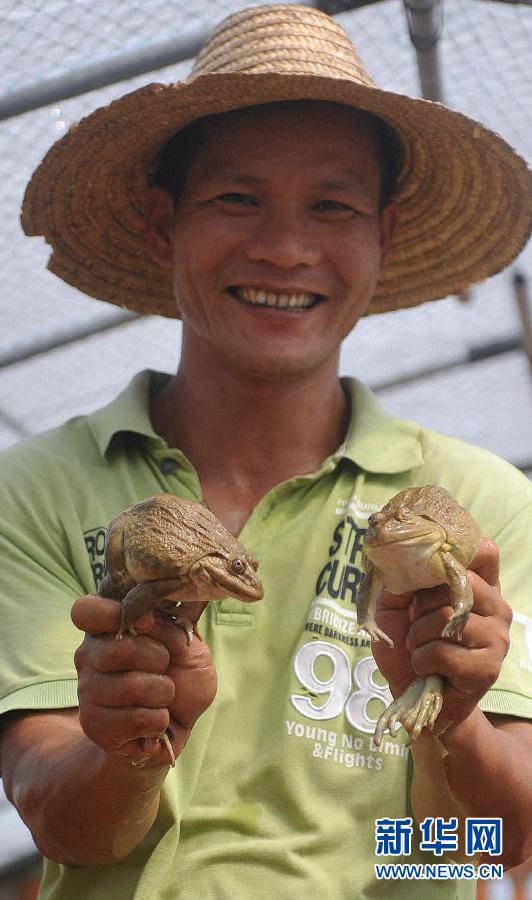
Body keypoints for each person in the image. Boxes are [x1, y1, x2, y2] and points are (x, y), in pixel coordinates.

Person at [1, 4, 531, 898]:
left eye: (332, 205)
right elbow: (67, 828)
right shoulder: (39, 487)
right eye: (237, 199)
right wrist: (131, 749)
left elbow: (494, 846)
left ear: (383, 237)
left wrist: (453, 729)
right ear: (163, 224)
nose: (285, 248)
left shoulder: (477, 501)